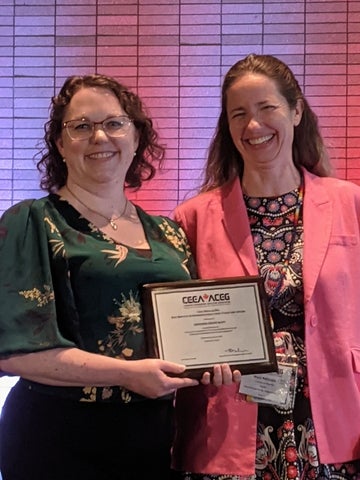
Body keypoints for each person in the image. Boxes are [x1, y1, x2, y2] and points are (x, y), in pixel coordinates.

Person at [0, 73, 200, 480]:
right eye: (81, 127)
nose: (100, 137)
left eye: (113, 123)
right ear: (60, 143)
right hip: (57, 438)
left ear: (136, 136)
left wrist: (219, 362)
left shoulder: (169, 233)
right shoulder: (33, 222)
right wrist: (126, 374)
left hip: (152, 436)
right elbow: (14, 351)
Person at [171, 54, 360, 480]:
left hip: (336, 424)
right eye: (239, 114)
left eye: (266, 108)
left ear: (296, 111)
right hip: (228, 429)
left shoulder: (350, 203)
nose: (253, 126)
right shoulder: (193, 218)